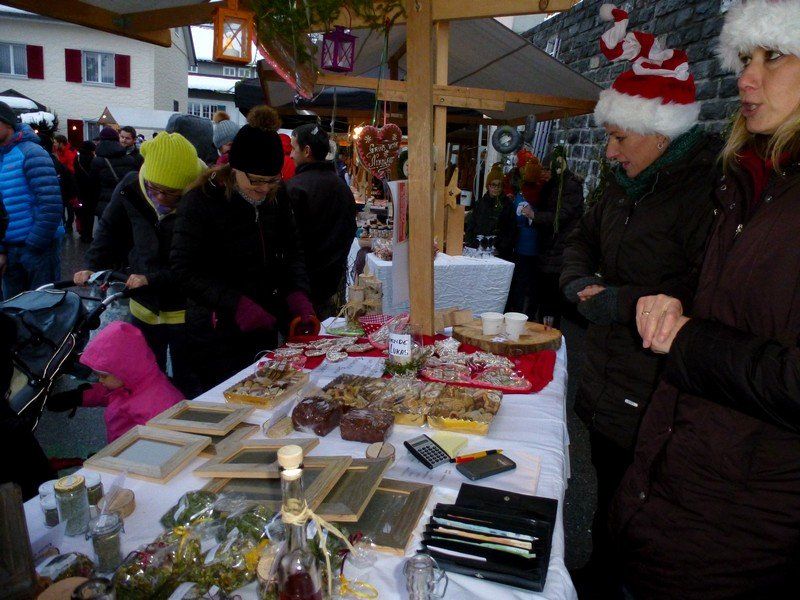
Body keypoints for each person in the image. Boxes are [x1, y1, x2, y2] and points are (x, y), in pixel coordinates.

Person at [611, 2, 800, 597]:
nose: (747, 79)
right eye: (746, 58)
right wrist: (674, 303)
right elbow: (730, 299)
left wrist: (687, 338)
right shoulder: (748, 177)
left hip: (742, 534)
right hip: (673, 491)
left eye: (775, 56)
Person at [559, 5, 718, 595]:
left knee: (637, 514)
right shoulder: (622, 186)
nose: (609, 152)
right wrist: (576, 283)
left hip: (653, 392)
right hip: (606, 378)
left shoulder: (705, 193)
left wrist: (620, 302)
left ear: (660, 132)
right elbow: (578, 239)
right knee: (603, 496)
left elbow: (707, 294)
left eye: (619, 137)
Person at [171, 110, 316, 395]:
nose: (264, 188)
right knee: (223, 402)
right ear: (235, 168)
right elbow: (183, 270)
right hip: (214, 333)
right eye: (256, 180)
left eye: (272, 180)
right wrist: (235, 304)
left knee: (264, 398)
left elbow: (292, 251)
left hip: (263, 324)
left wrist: (298, 294)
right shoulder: (201, 201)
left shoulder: (278, 196)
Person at [73, 132, 204, 396]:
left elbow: (200, 260)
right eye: (155, 189)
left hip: (186, 307)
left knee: (189, 377)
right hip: (143, 302)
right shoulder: (131, 187)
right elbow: (109, 229)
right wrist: (91, 265)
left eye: (172, 193)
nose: (162, 198)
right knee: (144, 375)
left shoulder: (201, 197)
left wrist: (154, 279)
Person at [47, 321, 183, 443]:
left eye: (103, 376)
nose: (100, 380)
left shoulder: (159, 406)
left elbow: (163, 446)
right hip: (123, 446)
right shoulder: (131, 383)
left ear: (124, 370)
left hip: (130, 454)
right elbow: (113, 394)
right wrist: (80, 397)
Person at [287, 120, 356, 319]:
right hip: (332, 283)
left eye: (293, 148)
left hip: (302, 288)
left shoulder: (294, 188)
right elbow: (350, 230)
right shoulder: (341, 187)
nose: (291, 155)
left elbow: (289, 242)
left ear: (306, 151)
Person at [0, 102, 64, 299]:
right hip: (9, 250)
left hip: (38, 248)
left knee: (43, 307)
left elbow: (51, 204)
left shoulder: (31, 153)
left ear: (7, 123)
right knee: (12, 309)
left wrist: (34, 245)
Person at [527, 147, 585, 328]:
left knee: (552, 302)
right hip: (547, 248)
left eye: (547, 169)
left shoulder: (570, 185)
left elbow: (562, 215)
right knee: (543, 299)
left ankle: (551, 337)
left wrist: (535, 216)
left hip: (559, 250)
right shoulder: (552, 185)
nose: (545, 173)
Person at [502, 150, 548, 314]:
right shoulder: (540, 190)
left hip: (523, 244)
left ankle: (519, 312)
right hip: (531, 243)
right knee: (527, 282)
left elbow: (518, 217)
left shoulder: (526, 192)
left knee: (521, 281)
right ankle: (525, 312)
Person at [89, 126, 139, 221]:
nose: (123, 140)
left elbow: (93, 187)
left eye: (127, 138)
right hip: (124, 204)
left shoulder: (98, 161)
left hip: (106, 205)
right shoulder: (130, 159)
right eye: (122, 137)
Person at [466, 163, 511, 250]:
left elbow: (510, 229)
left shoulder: (507, 205)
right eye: (493, 185)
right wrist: (471, 243)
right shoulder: (480, 203)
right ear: (488, 185)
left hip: (498, 250)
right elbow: (471, 225)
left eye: (499, 185)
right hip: (478, 247)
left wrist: (502, 246)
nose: (496, 188)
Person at [72, 141, 96, 243]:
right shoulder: (93, 159)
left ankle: (82, 233)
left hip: (79, 190)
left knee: (81, 213)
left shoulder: (77, 158)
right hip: (90, 190)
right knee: (90, 214)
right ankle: (88, 235)